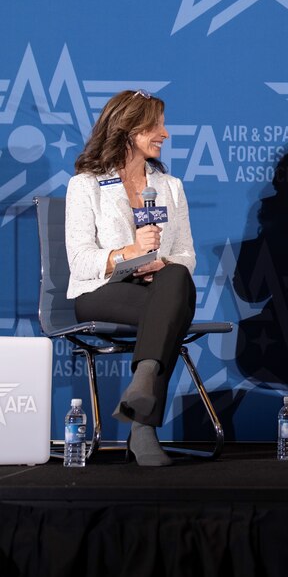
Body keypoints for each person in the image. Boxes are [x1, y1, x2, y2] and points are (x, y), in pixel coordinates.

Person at [65, 89, 197, 467]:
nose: (165, 134)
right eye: (156, 125)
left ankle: (143, 384)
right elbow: (81, 262)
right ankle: (143, 424)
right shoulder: (86, 184)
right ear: (128, 129)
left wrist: (161, 261)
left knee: (175, 276)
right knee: (175, 309)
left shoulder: (170, 187)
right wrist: (128, 253)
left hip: (158, 288)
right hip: (102, 290)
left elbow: (187, 254)